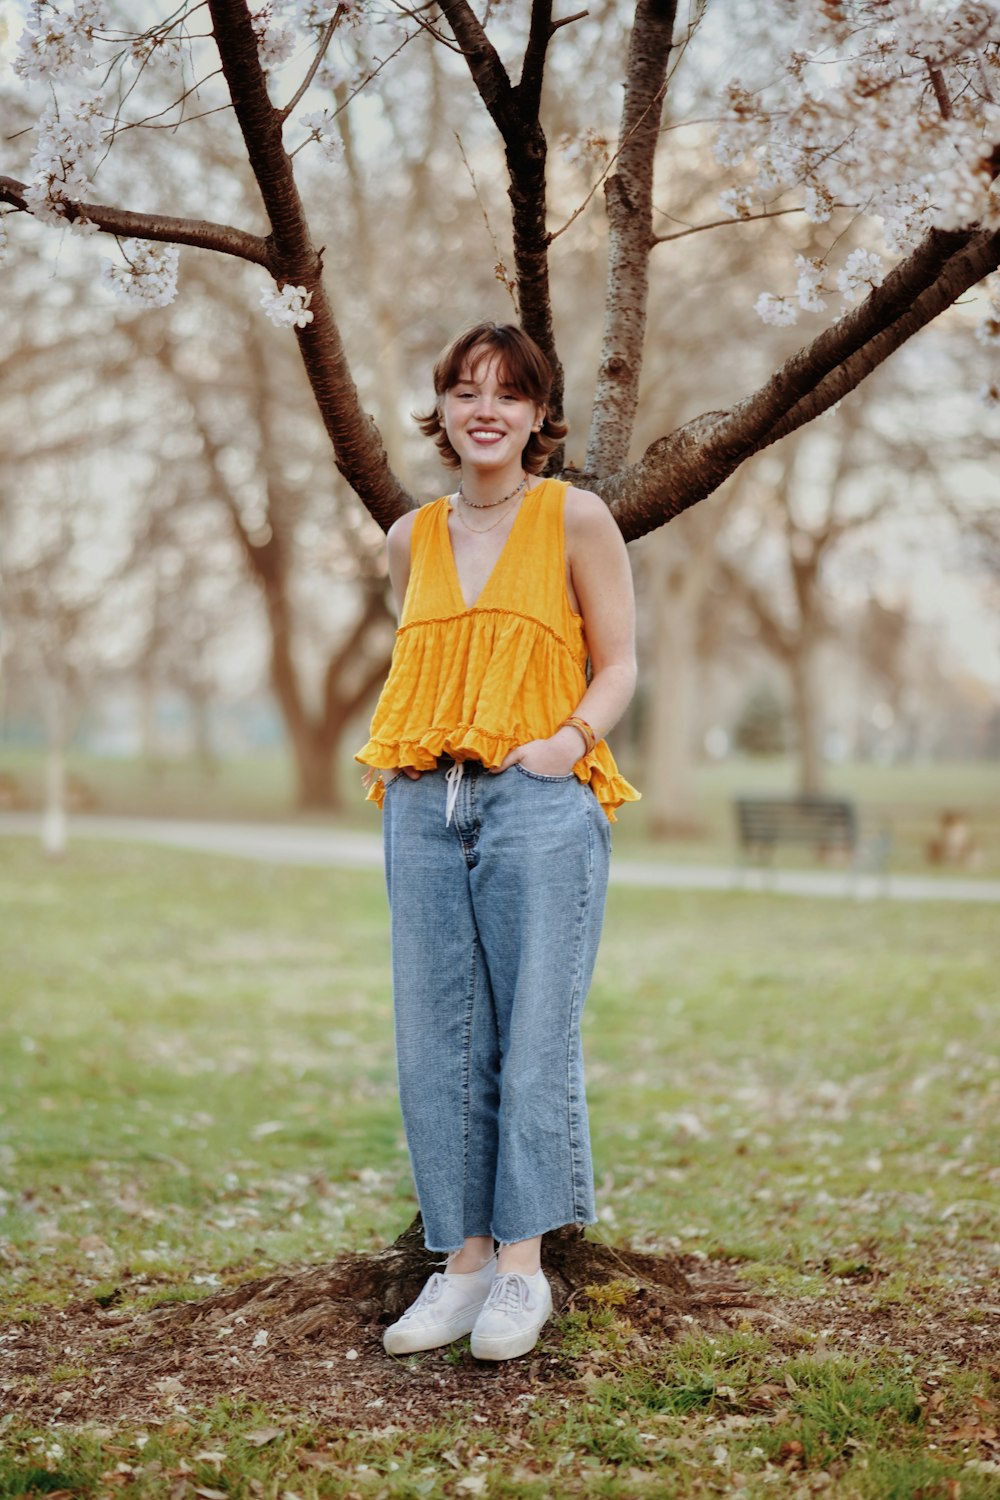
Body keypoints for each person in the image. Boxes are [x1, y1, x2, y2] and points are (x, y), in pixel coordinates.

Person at [356, 321, 639, 1362]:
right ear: (441, 410)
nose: (486, 409)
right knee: (437, 1044)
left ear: (536, 415)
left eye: (507, 394)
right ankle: (461, 1264)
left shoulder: (575, 519)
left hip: (536, 803)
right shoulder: (409, 538)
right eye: (465, 391)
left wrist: (565, 744)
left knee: (530, 1039)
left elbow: (618, 664)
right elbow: (428, 672)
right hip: (423, 806)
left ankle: (521, 1273)